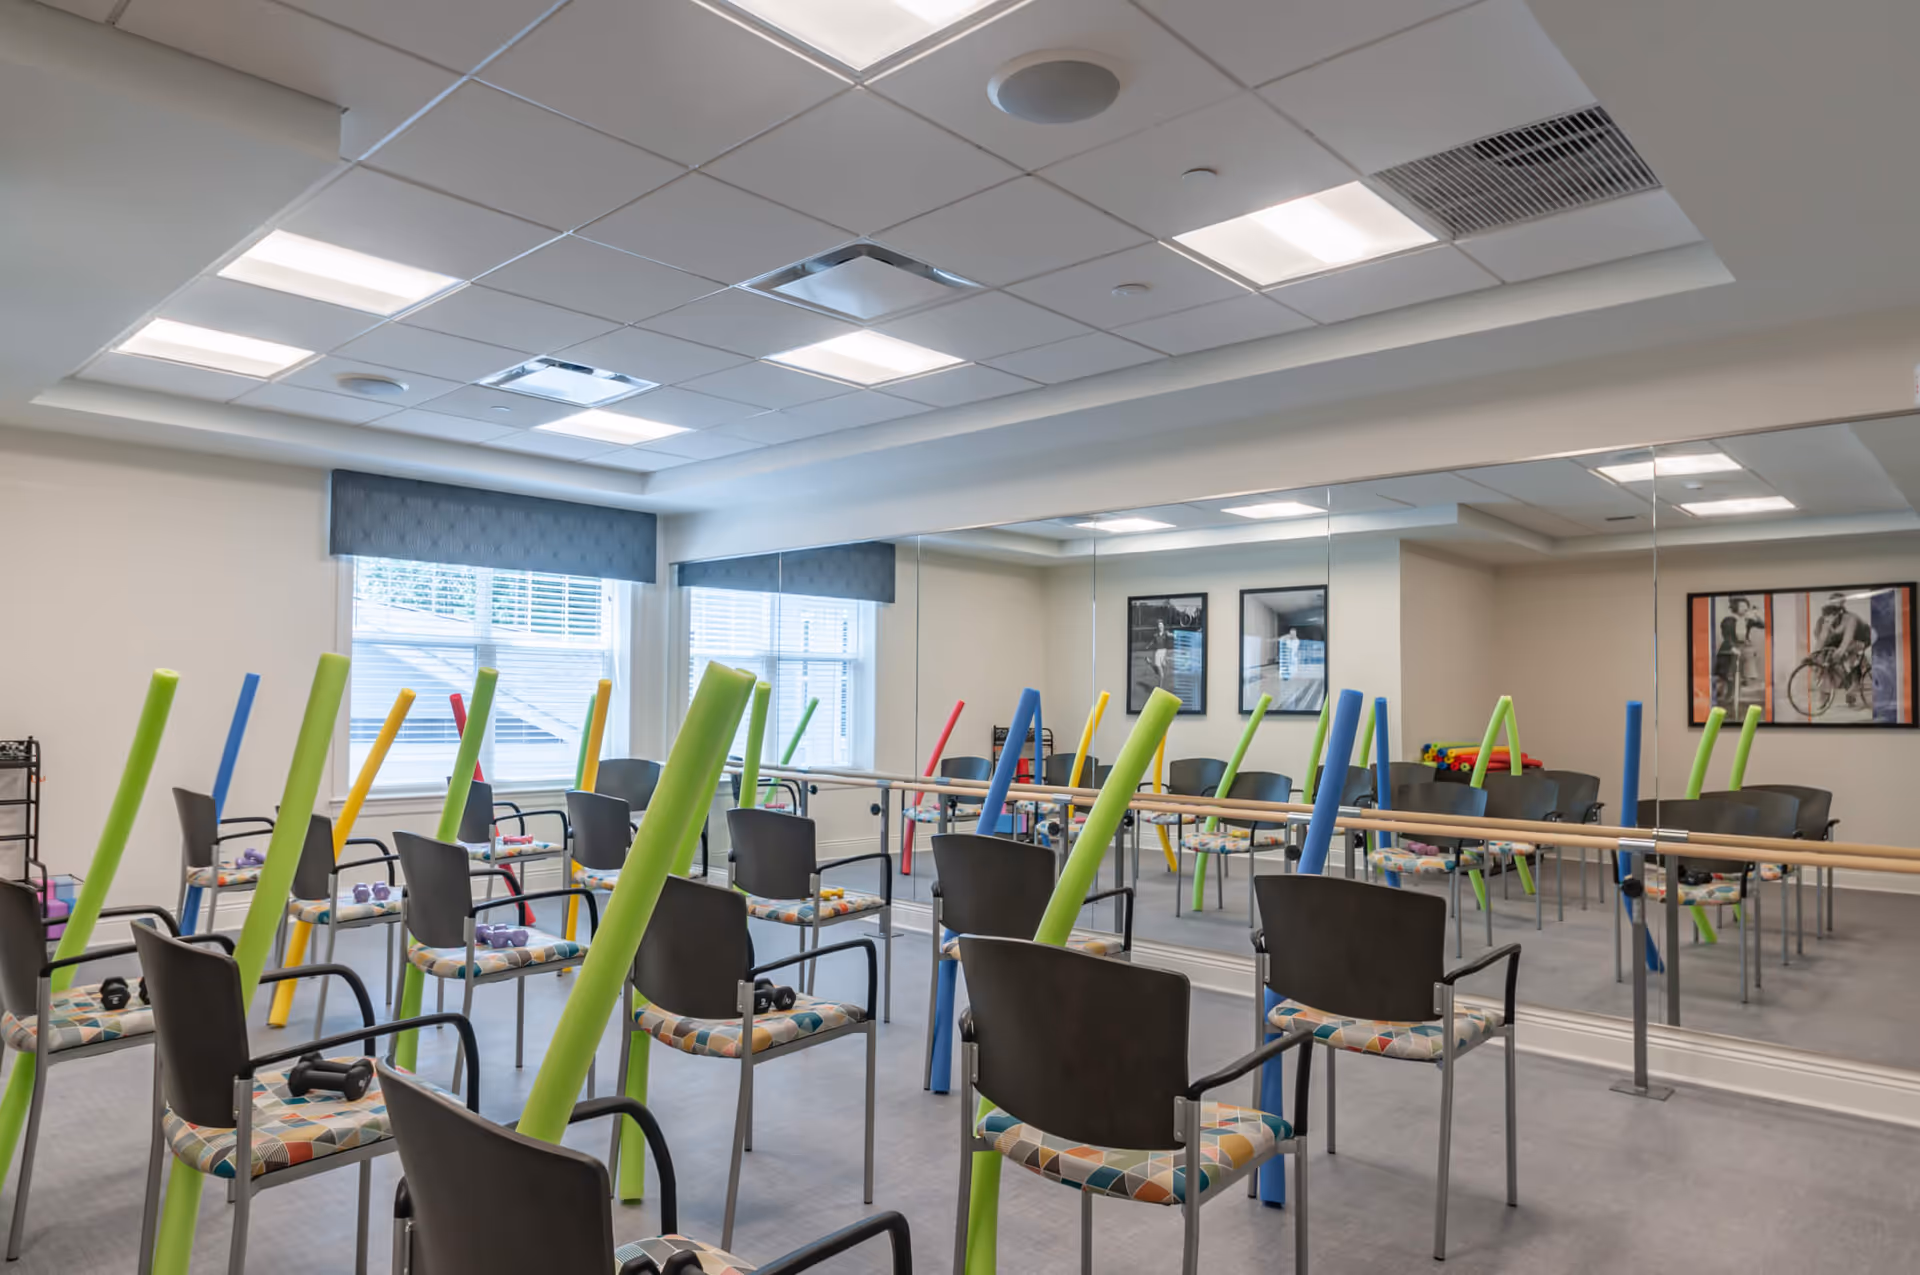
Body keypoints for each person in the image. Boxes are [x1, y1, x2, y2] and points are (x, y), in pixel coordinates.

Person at [1814, 592, 1872, 707]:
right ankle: (1825, 692)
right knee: (1826, 659)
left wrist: (1841, 652)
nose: (1830, 615)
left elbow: (1846, 642)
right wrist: (1814, 658)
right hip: (1838, 639)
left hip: (1862, 637)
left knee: (1848, 654)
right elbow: (1821, 642)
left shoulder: (1850, 619)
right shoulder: (1822, 621)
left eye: (1838, 606)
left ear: (1841, 608)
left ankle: (1854, 684)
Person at [1715, 597, 1765, 709]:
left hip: (1743, 647)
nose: (1745, 608)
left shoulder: (1748, 620)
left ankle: (1747, 675)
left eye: (1746, 606)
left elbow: (1763, 625)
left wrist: (1756, 615)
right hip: (1729, 649)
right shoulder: (1728, 620)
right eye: (1742, 606)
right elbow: (1727, 636)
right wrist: (1732, 647)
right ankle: (1727, 697)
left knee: (1748, 653)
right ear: (1735, 607)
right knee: (1730, 676)